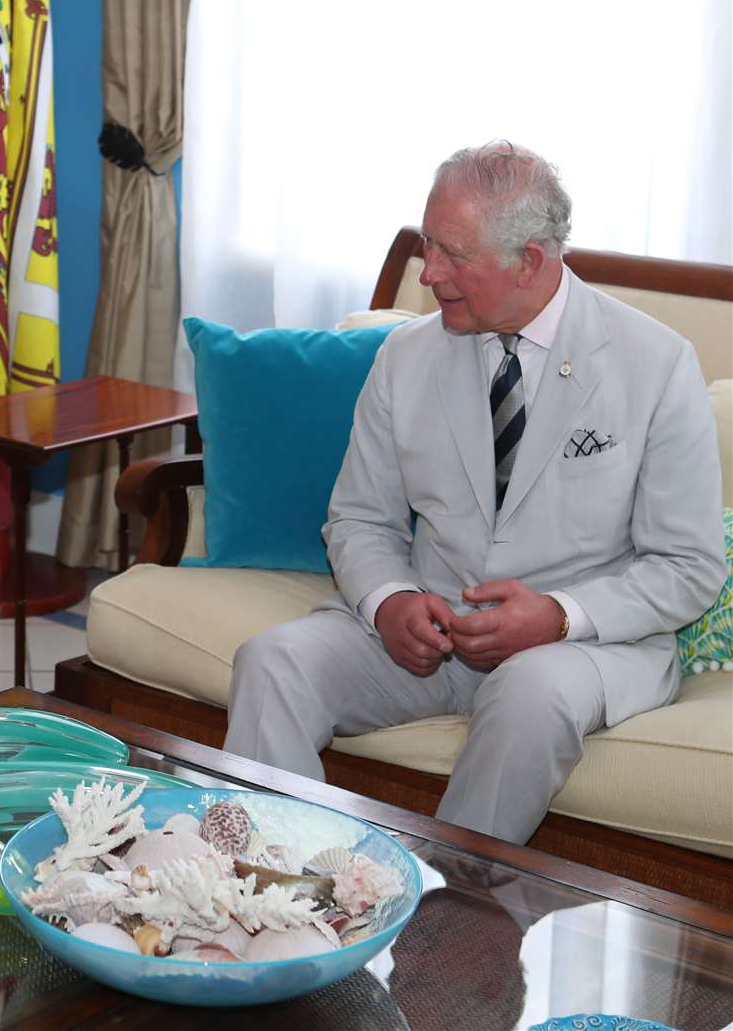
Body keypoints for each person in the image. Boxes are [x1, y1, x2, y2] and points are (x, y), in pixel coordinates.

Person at [223, 141, 723, 846]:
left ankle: (445, 923)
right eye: (428, 246)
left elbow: (687, 565)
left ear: (530, 260)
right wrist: (387, 599)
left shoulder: (656, 363)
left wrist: (554, 617)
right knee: (271, 661)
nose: (428, 274)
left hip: (580, 650)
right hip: (428, 637)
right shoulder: (405, 354)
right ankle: (283, 894)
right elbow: (359, 518)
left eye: (453, 255)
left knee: (529, 694)